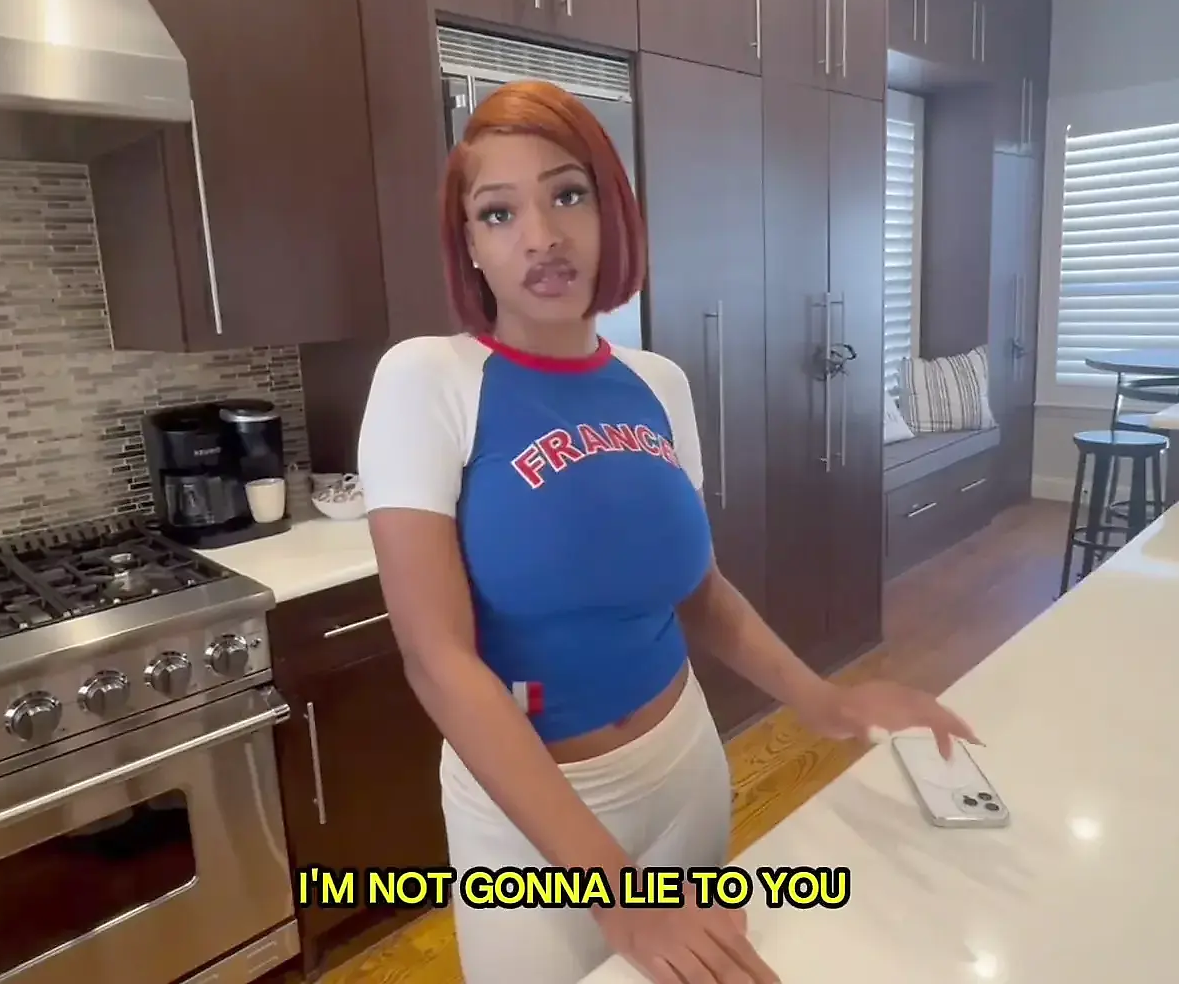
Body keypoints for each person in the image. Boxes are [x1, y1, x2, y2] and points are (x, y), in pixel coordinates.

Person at [356, 79, 978, 984]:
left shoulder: (658, 383)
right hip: (532, 822)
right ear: (471, 246)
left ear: (612, 212)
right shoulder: (427, 380)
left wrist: (827, 703)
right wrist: (616, 893)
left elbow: (702, 595)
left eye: (569, 195)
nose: (541, 236)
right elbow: (438, 660)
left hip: (684, 769)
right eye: (499, 213)